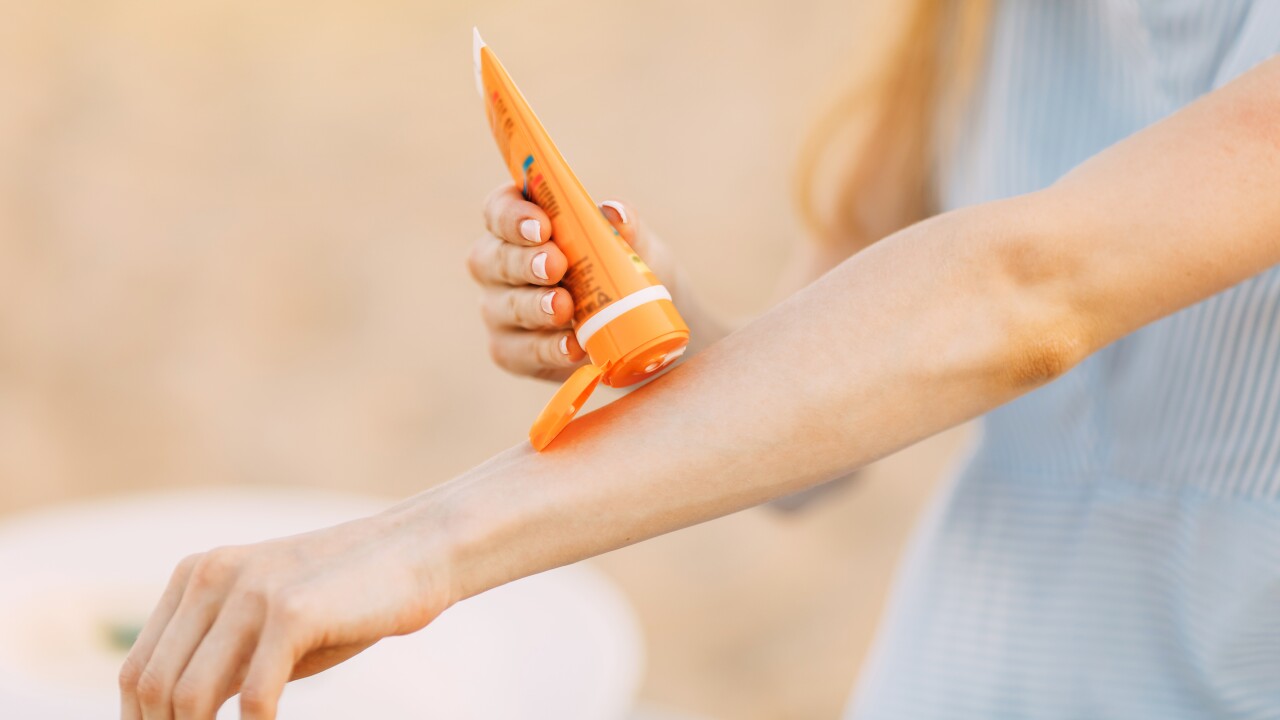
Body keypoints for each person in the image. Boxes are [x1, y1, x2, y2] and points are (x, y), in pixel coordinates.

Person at [120, 1, 1280, 718]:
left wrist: (420, 541)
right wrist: (658, 331)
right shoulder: (972, 17)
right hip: (942, 685)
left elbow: (1023, 291)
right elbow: (814, 451)